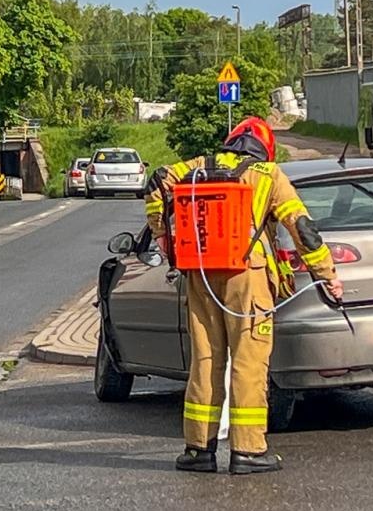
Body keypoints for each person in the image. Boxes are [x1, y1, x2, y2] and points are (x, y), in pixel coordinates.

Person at [143, 118, 344, 475]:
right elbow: (303, 229)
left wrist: (161, 233)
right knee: (249, 362)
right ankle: (248, 450)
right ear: (265, 150)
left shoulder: (198, 166)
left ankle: (198, 450)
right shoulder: (268, 175)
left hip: (201, 274)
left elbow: (156, 181)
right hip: (248, 278)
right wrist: (327, 275)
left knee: (205, 360)